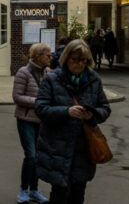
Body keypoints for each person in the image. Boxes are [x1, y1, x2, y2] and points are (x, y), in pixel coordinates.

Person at [35, 39, 111, 204]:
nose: (79, 64)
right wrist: (66, 111)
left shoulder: (94, 79)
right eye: (75, 60)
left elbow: (105, 108)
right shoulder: (52, 79)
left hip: (83, 148)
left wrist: (92, 115)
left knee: (78, 193)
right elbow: (40, 108)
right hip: (57, 147)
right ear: (66, 58)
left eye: (83, 60)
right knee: (59, 193)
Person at [13, 44, 53, 204]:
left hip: (42, 120)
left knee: (38, 156)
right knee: (31, 155)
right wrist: (39, 102)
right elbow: (17, 97)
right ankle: (24, 190)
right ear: (38, 56)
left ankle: (34, 191)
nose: (51, 58)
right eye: (48, 55)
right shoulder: (23, 72)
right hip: (26, 120)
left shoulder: (48, 73)